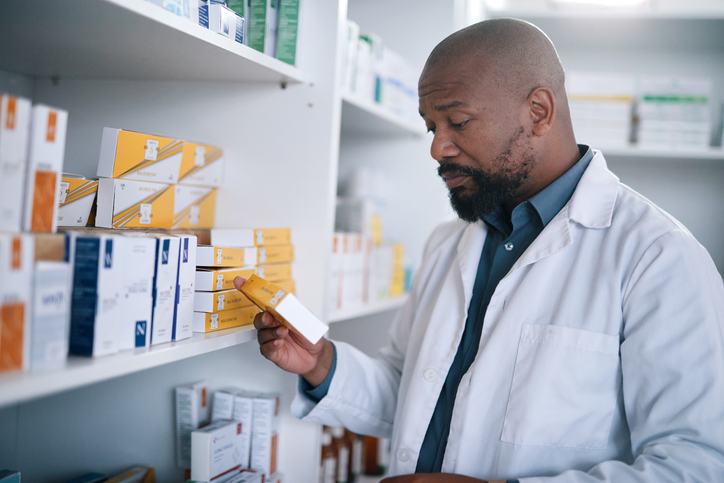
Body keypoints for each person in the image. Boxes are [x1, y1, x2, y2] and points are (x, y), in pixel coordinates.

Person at [234, 18, 724, 482]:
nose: (437, 149)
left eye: (458, 122)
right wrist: (321, 365)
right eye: (431, 127)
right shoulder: (449, 242)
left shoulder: (658, 258)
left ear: (539, 112)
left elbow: (696, 464)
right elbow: (413, 392)